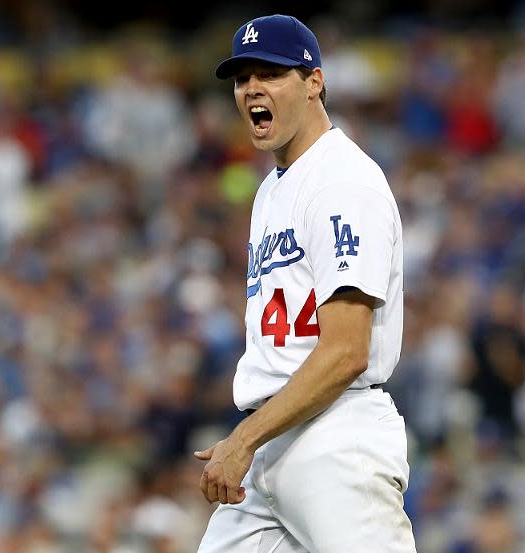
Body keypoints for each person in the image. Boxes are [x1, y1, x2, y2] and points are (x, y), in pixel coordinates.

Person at [195, 14, 416, 553]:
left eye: (268, 73)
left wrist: (241, 441)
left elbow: (345, 351)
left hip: (334, 435)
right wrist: (253, 438)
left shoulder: (342, 179)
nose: (251, 89)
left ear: (314, 81)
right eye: (242, 78)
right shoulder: (271, 188)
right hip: (271, 437)